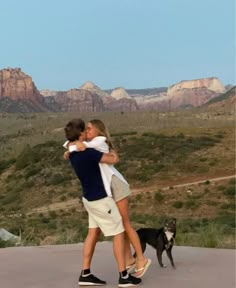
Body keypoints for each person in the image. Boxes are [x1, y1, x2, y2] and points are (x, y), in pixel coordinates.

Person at [64, 119, 151, 278]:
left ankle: (141, 259)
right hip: (106, 191)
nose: (88, 132)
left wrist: (73, 146)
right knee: (115, 228)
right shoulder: (87, 147)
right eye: (86, 129)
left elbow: (112, 158)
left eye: (90, 129)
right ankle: (128, 260)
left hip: (115, 186)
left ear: (98, 131)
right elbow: (74, 144)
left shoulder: (98, 143)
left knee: (124, 224)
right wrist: (73, 146)